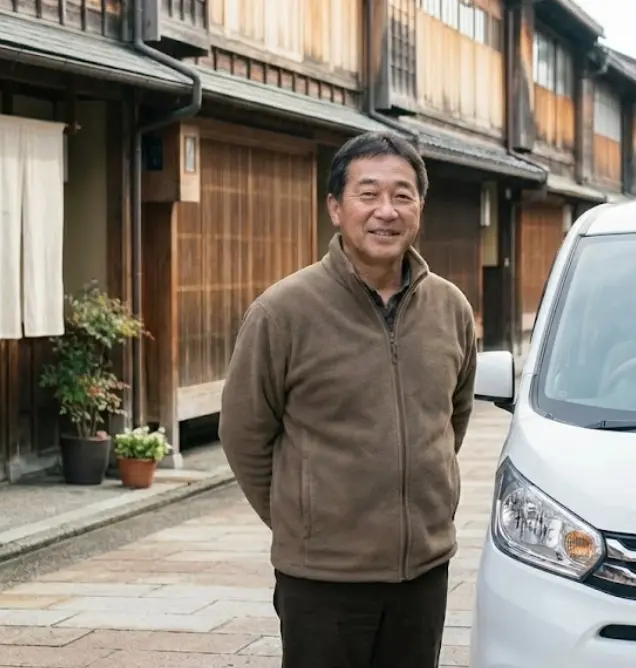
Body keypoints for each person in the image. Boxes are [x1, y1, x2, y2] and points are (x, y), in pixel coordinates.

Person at [218, 131, 478, 668]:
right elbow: (244, 433)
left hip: (423, 572)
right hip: (323, 579)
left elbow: (453, 415)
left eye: (402, 195)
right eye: (368, 194)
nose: (387, 211)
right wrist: (305, 519)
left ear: (419, 209)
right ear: (335, 208)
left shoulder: (450, 308)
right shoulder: (284, 311)